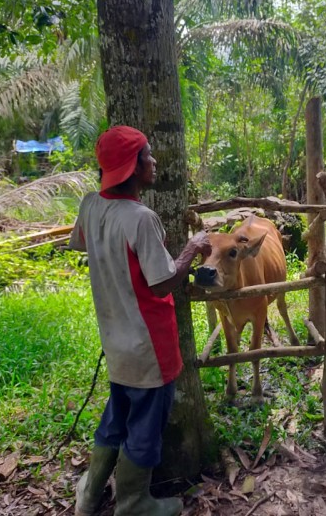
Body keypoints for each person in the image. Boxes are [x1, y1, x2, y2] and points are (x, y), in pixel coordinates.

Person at [70, 125, 211, 516]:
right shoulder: (141, 218)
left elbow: (83, 241)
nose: (154, 161)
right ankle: (133, 502)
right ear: (133, 166)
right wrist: (193, 248)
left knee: (116, 415)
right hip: (150, 344)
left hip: (115, 339)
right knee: (146, 424)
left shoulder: (89, 205)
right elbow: (164, 280)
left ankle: (90, 492)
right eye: (147, 155)